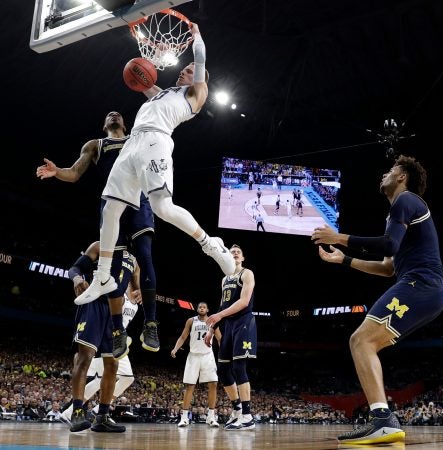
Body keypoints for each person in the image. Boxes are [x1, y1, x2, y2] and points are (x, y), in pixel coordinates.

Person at [71, 23, 236, 322]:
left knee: (162, 207)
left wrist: (197, 36)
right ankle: (103, 276)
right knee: (110, 209)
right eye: (183, 70)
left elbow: (200, 60)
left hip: (155, 141)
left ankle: (210, 245)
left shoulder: (195, 94)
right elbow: (141, 80)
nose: (183, 72)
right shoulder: (164, 94)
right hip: (133, 143)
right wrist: (145, 51)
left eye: (187, 71)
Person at [311, 154, 443, 445]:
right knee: (363, 342)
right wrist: (345, 261)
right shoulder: (396, 214)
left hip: (421, 284)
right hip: (425, 289)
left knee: (360, 341)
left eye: (390, 170)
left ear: (402, 177)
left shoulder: (407, 200)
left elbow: (388, 244)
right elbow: (388, 267)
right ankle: (382, 419)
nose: (383, 174)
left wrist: (338, 237)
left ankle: (383, 420)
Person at [35, 111, 161, 354]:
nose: (113, 115)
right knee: (110, 269)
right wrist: (57, 171)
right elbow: (74, 172)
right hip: (112, 202)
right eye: (109, 115)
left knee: (145, 256)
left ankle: (151, 323)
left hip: (138, 200)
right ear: (105, 124)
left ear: (125, 123)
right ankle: (117, 331)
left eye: (118, 114)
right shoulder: (95, 145)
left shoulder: (136, 137)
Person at [66, 240, 139, 433]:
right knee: (85, 358)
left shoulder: (134, 260)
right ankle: (77, 412)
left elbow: (136, 286)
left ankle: (102, 417)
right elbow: (75, 268)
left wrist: (140, 292)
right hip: (94, 304)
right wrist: (76, 279)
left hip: (116, 311)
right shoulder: (100, 245)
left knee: (113, 364)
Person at [61, 289, 140, 424]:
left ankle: (97, 410)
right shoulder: (120, 294)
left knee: (127, 378)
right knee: (101, 380)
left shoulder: (136, 305)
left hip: (118, 342)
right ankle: (73, 412)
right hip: (106, 337)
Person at [205, 244, 257, 430]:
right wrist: (212, 330)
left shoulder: (247, 273)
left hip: (244, 322)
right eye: (231, 252)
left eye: (238, 252)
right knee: (223, 370)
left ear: (242, 258)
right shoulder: (225, 279)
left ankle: (247, 415)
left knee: (239, 366)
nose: (234, 254)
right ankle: (236, 410)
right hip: (228, 325)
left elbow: (244, 302)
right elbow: (221, 306)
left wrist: (219, 316)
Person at [171, 302, 221, 428]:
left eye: (204, 307)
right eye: (200, 307)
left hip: (208, 355)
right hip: (193, 356)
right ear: (197, 309)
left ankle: (210, 417)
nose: (202, 308)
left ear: (207, 309)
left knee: (213, 384)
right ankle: (184, 418)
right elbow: (183, 337)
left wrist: (224, 354)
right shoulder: (191, 321)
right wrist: (175, 349)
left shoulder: (213, 321)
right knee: (190, 386)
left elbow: (220, 338)